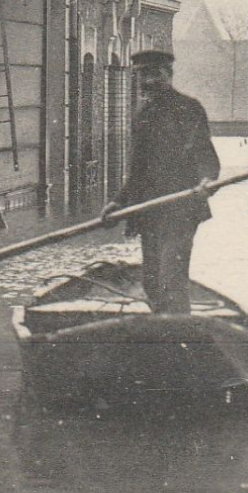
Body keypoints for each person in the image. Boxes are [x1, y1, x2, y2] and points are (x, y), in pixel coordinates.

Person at [104, 49, 221, 314]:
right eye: (142, 75)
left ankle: (179, 337)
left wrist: (207, 181)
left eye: (153, 74)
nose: (147, 81)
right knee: (152, 283)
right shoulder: (143, 114)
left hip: (181, 208)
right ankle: (159, 340)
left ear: (168, 75)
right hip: (148, 212)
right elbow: (138, 171)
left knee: (172, 280)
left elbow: (206, 156)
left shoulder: (189, 108)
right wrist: (117, 203)